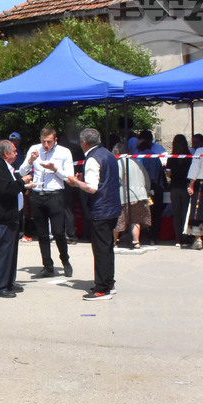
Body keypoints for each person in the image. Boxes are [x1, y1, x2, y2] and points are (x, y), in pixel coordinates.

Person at [65, 128, 121, 300]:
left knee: (101, 249)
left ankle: (102, 288)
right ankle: (108, 283)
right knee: (107, 248)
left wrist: (75, 182)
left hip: (100, 208)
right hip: (111, 207)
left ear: (84, 142)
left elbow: (92, 187)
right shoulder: (108, 154)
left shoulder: (92, 158)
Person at [19, 127, 75, 278]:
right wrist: (30, 160)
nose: (45, 145)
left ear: (55, 140)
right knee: (42, 234)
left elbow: (69, 178)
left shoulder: (64, 152)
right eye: (43, 141)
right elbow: (21, 172)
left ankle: (65, 260)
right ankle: (47, 266)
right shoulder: (34, 149)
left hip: (55, 195)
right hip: (37, 195)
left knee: (58, 232)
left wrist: (55, 169)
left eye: (49, 142)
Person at [0, 139, 33, 297]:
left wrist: (21, 186)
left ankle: (8, 282)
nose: (16, 153)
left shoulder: (5, 167)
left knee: (10, 253)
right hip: (2, 217)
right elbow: (6, 189)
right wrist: (22, 182)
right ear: (5, 153)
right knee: (3, 253)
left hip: (10, 216)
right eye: (14, 151)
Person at [112, 142, 152, 250]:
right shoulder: (138, 162)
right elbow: (146, 179)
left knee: (118, 221)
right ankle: (136, 242)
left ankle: (114, 243)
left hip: (125, 196)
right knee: (136, 220)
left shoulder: (119, 163)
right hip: (141, 195)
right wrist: (147, 192)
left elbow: (117, 180)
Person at [137, 139, 167, 245]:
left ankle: (142, 235)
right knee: (156, 214)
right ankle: (153, 237)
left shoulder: (140, 157)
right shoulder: (156, 157)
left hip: (144, 190)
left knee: (143, 213)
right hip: (157, 189)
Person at [166, 134, 193, 247]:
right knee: (186, 213)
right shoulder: (190, 157)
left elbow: (168, 173)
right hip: (186, 187)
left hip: (175, 187)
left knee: (176, 214)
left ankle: (178, 239)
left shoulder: (171, 157)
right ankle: (186, 238)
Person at [62, 127, 87, 244]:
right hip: (81, 179)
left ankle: (71, 235)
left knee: (69, 209)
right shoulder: (81, 149)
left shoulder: (64, 149)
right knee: (84, 207)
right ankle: (88, 234)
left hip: (68, 181)